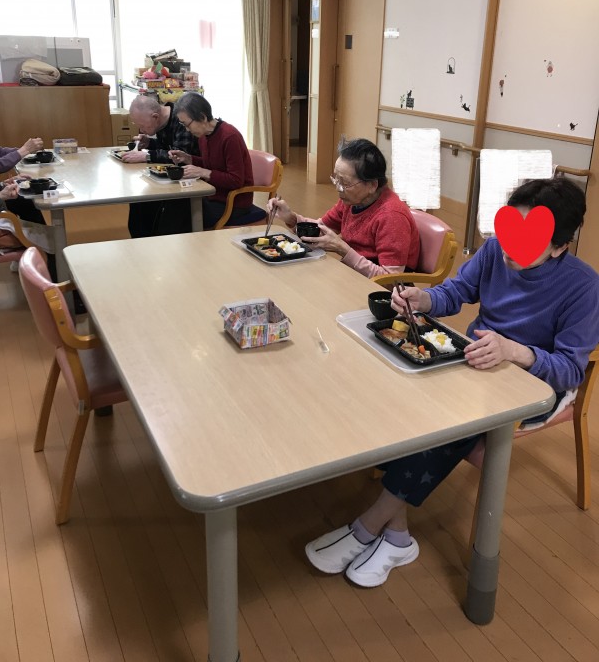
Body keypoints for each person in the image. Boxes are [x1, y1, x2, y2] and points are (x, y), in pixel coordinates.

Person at [305, 177, 599, 588]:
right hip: (476, 359)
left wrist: (515, 351)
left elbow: (569, 369)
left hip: (535, 384)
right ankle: (397, 535)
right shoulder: (496, 249)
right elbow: (458, 291)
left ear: (560, 246)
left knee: (449, 423)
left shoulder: (583, 286)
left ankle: (368, 525)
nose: (510, 247)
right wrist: (423, 299)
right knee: (400, 394)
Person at [266, 138, 419, 279]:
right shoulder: (352, 200)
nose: (338, 188)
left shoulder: (392, 216)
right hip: (352, 274)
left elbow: (391, 280)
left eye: (345, 183)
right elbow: (321, 230)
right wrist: (291, 218)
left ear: (372, 185)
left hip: (379, 291)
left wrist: (343, 249)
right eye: (336, 179)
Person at [168, 92, 255, 229]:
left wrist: (202, 172)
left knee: (182, 217)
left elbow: (236, 180)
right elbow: (212, 165)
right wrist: (188, 158)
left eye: (187, 124)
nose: (186, 130)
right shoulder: (204, 136)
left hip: (233, 203)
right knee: (172, 205)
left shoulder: (230, 136)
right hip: (212, 196)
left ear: (202, 117)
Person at [120, 95, 199, 237]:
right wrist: (149, 143)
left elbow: (179, 155)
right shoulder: (161, 122)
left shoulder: (182, 119)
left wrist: (146, 156)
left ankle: (152, 239)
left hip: (190, 180)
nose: (141, 130)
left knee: (151, 205)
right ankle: (141, 240)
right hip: (169, 177)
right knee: (138, 200)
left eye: (142, 125)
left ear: (155, 116)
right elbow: (167, 147)